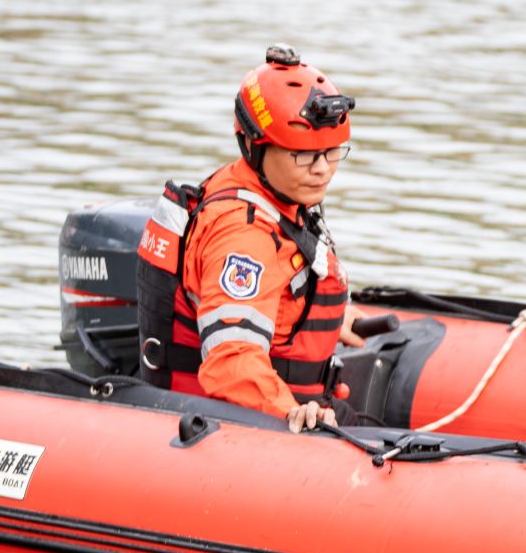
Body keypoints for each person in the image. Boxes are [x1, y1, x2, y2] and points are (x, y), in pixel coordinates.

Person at [135, 44, 365, 433]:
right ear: (255, 145)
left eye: (331, 152)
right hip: (237, 423)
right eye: (303, 154)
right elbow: (230, 360)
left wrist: (328, 320)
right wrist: (290, 411)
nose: (322, 169)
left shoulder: (269, 191)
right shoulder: (242, 236)